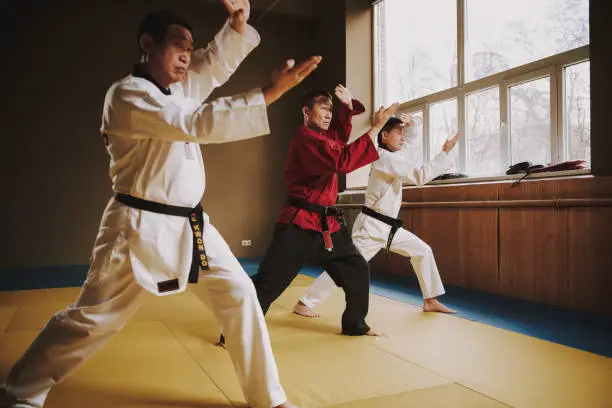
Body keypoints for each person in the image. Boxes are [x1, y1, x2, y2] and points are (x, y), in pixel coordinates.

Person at [0, 2, 320, 407]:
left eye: (190, 45)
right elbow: (193, 122)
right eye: (177, 44)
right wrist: (273, 91)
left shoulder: (180, 89)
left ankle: (268, 399)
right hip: (136, 227)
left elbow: (212, 63)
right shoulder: (128, 95)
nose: (188, 54)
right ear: (146, 45)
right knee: (93, 319)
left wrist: (236, 25)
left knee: (241, 294)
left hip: (193, 225)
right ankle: (21, 392)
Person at [217, 86, 398, 347]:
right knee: (270, 282)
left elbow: (337, 140)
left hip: (327, 225)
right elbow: (342, 160)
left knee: (356, 268)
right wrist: (375, 129)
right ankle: (233, 331)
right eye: (323, 108)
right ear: (306, 111)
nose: (328, 114)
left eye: (330, 109)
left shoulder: (323, 139)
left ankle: (355, 324)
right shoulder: (305, 139)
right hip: (299, 224)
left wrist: (346, 108)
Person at [293, 114, 460, 318]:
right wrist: (444, 155)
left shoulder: (394, 157)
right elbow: (419, 176)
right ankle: (304, 302)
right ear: (384, 136)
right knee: (347, 267)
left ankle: (430, 300)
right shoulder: (383, 158)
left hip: (388, 228)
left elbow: (410, 143)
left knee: (422, 251)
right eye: (398, 132)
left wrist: (413, 124)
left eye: (403, 132)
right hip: (371, 228)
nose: (403, 137)